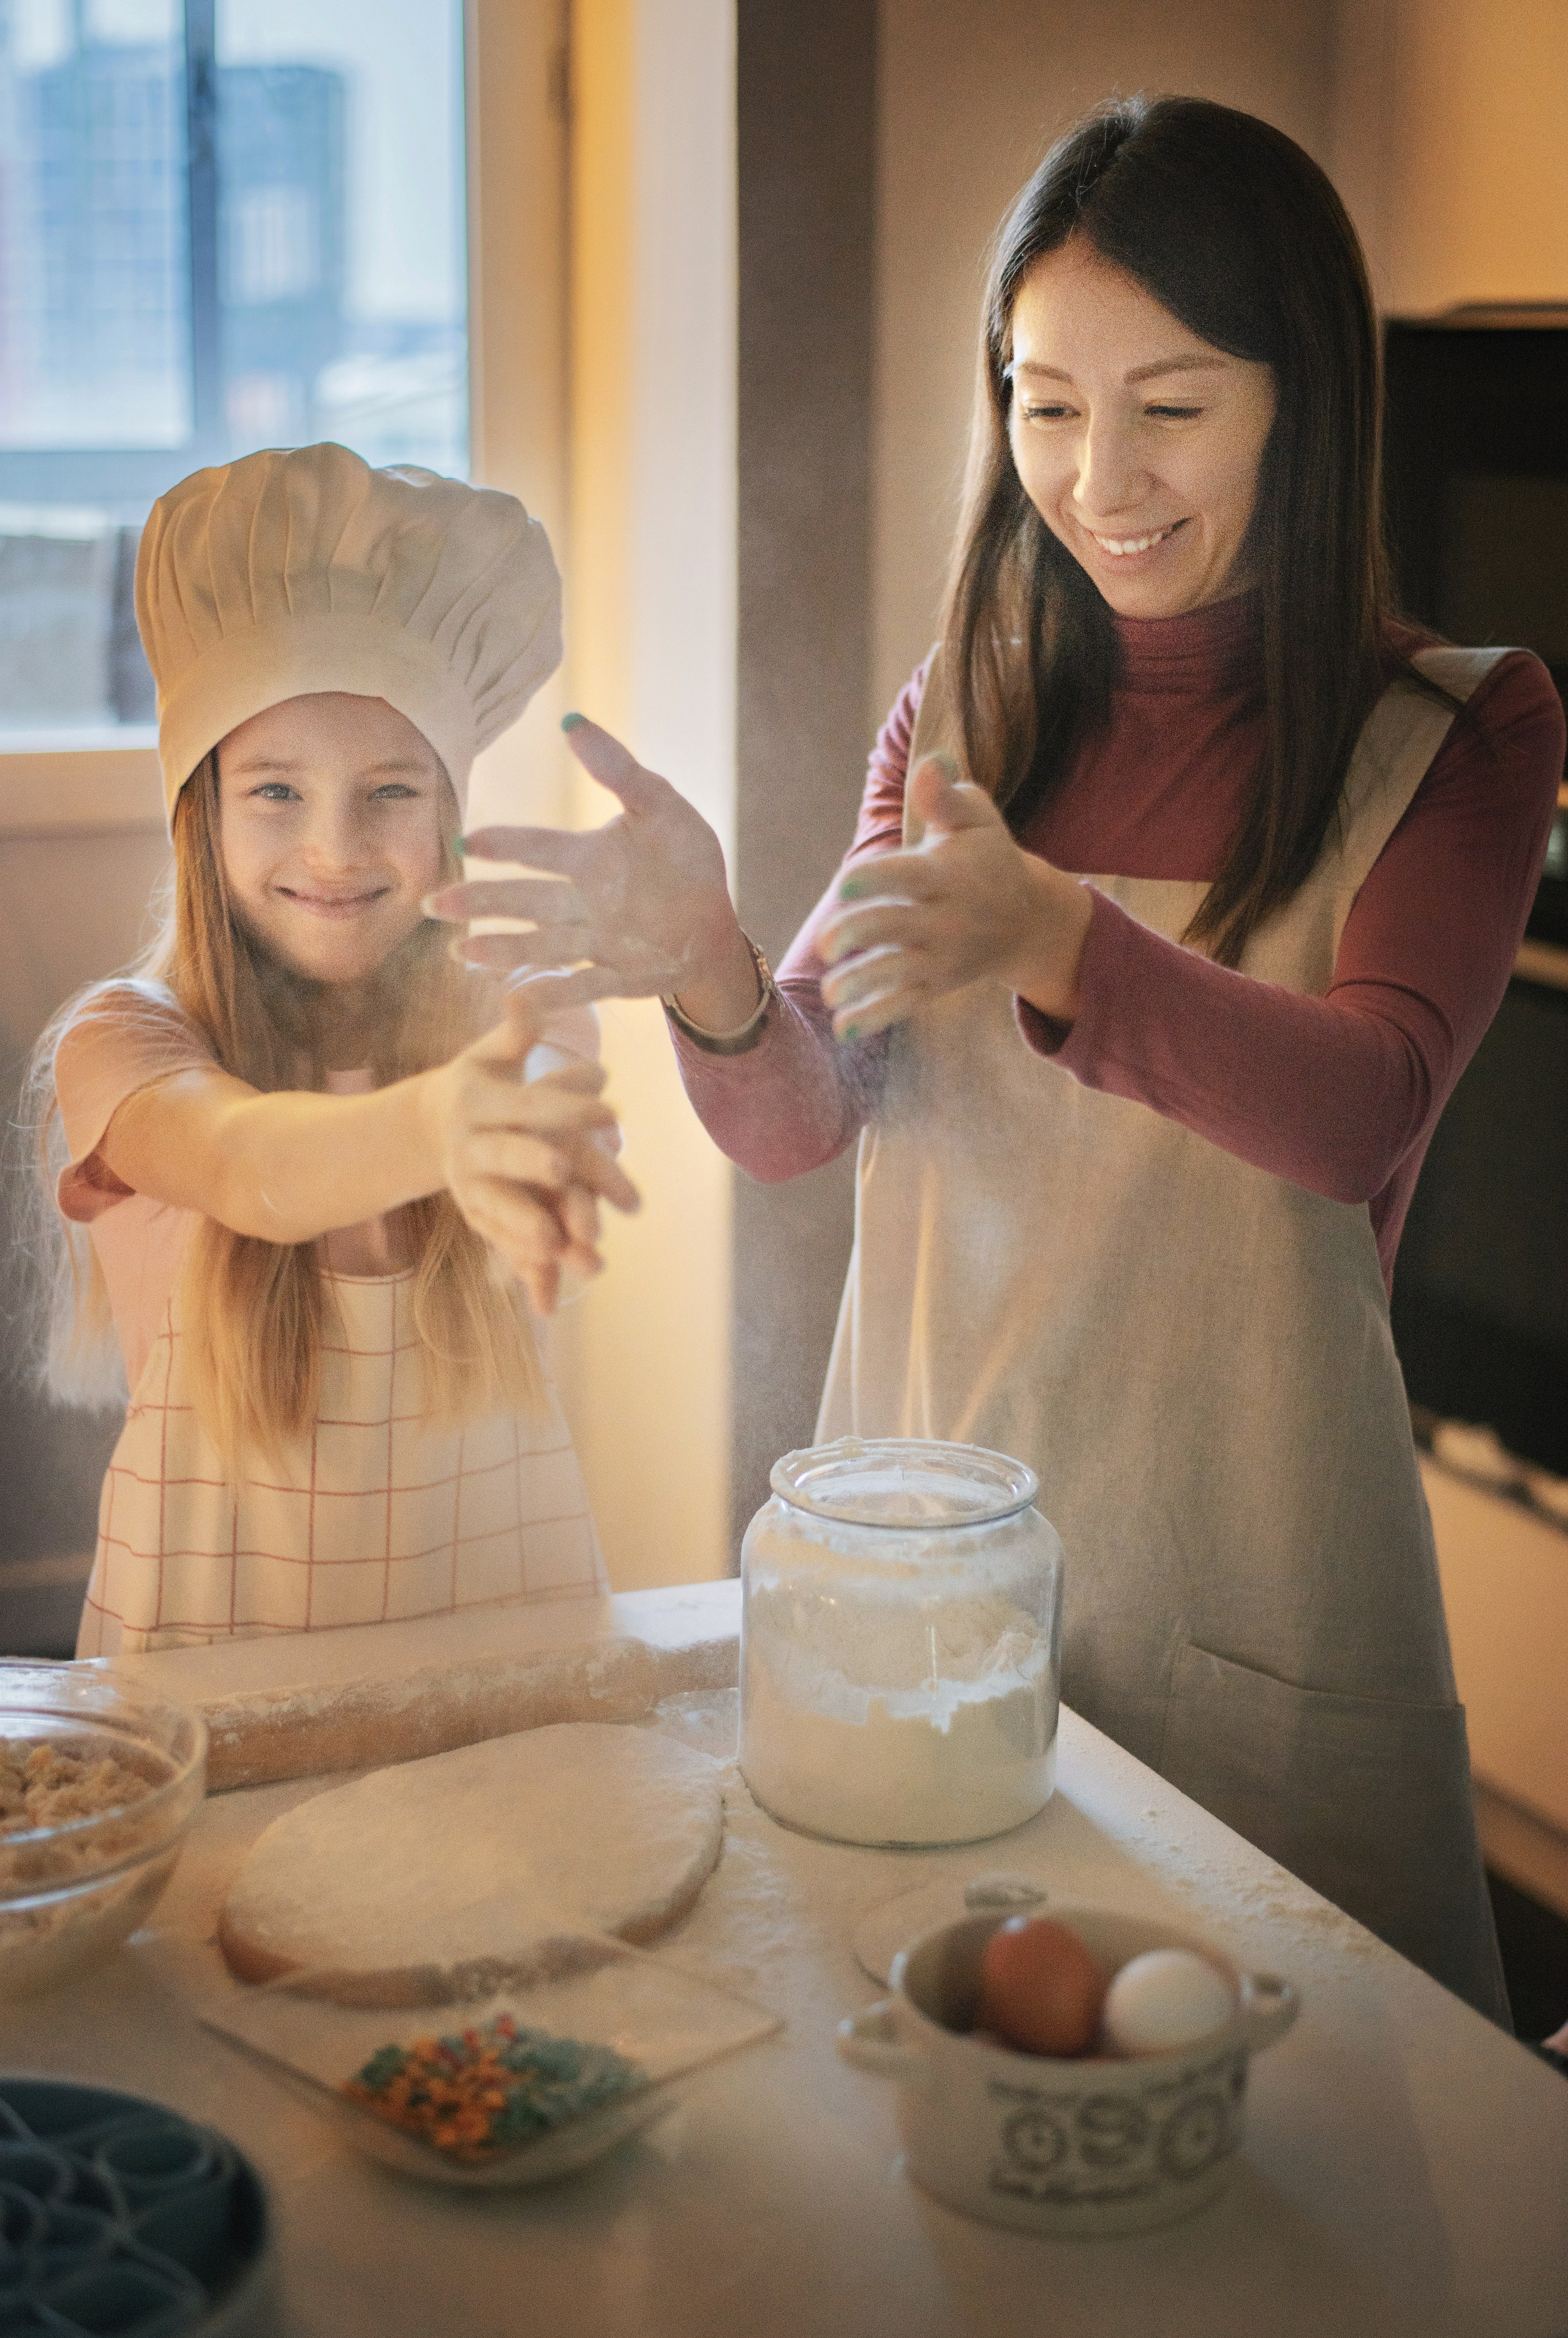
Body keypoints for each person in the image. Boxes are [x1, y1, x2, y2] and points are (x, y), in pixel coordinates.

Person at [431, 99, 1562, 2023]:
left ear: (1303, 396)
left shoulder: (1457, 733)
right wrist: (710, 961)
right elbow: (801, 1115)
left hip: (1260, 1587)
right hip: (929, 1579)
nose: (1098, 473)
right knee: (936, 2128)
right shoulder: (962, 714)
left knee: (1325, 2181)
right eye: (1045, 404)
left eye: (1170, 405)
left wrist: (1057, 939)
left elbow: (1359, 1106)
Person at [28, 444, 636, 1659]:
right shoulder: (123, 1042)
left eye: (392, 791)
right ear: (197, 809)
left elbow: (543, 1162)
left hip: (499, 1683)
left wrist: (526, 1166)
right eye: (274, 792)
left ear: (452, 813)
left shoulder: (525, 1017)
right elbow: (247, 1165)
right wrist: (433, 1130)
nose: (336, 849)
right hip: (206, 1693)